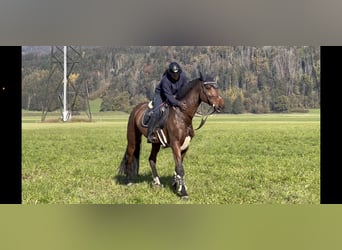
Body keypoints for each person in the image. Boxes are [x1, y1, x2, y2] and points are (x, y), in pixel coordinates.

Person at [147, 62, 188, 143]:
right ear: (170, 74)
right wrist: (178, 103)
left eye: (177, 74)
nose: (176, 76)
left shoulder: (183, 76)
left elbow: (184, 88)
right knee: (156, 112)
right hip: (161, 95)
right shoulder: (165, 80)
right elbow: (168, 97)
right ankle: (150, 134)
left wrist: (180, 97)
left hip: (176, 94)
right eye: (173, 75)